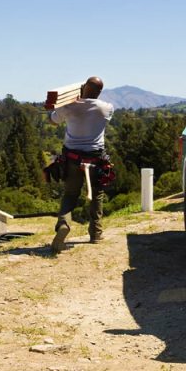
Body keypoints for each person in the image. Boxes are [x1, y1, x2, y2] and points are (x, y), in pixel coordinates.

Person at [46, 77, 115, 252]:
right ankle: (96, 233)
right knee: (97, 195)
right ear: (99, 92)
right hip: (95, 159)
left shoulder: (68, 107)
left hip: (72, 159)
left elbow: (52, 120)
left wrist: (70, 102)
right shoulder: (106, 108)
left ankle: (63, 224)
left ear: (83, 87)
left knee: (70, 195)